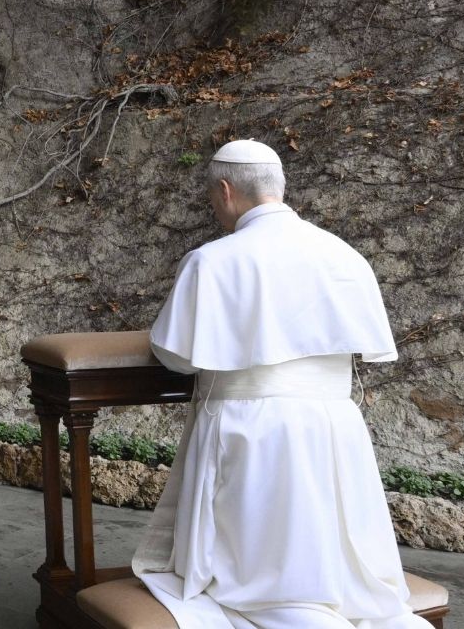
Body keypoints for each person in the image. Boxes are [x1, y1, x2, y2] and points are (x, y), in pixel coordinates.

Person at [134, 139, 429, 629]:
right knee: (331, 556)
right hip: (335, 427)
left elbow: (177, 357)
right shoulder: (345, 256)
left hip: (252, 430)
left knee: (264, 579)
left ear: (225, 191)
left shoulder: (213, 260)